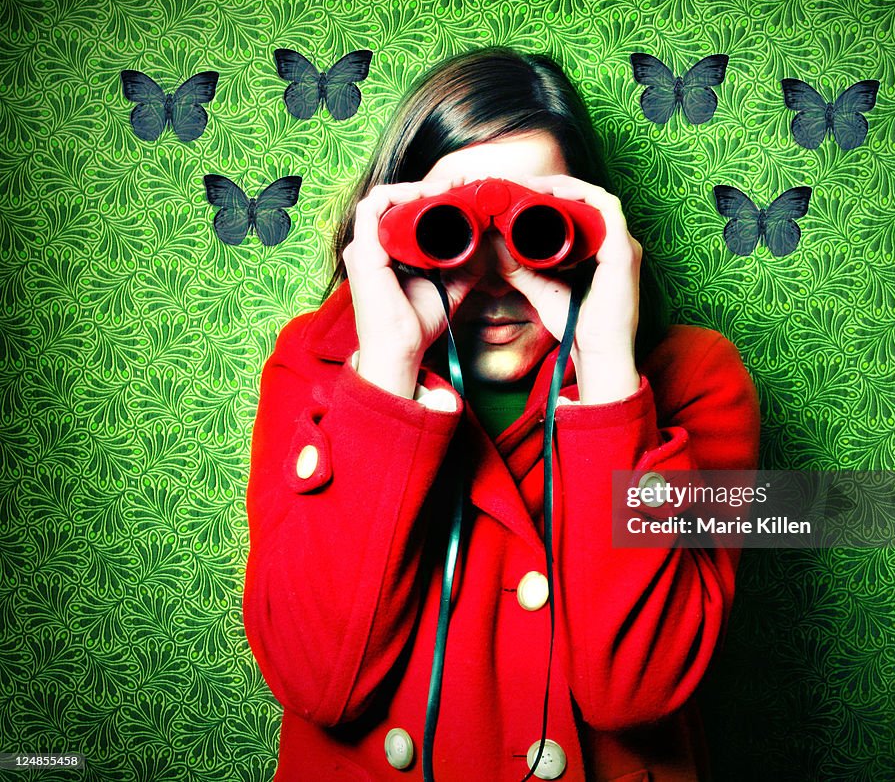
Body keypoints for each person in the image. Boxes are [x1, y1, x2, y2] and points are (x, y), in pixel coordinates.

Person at [243, 47, 760, 782]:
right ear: (394, 226)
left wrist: (608, 373)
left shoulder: (697, 382)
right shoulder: (318, 366)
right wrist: (387, 368)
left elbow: (634, 689)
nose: (494, 276)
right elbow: (314, 679)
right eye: (448, 227)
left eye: (534, 225)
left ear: (592, 229)